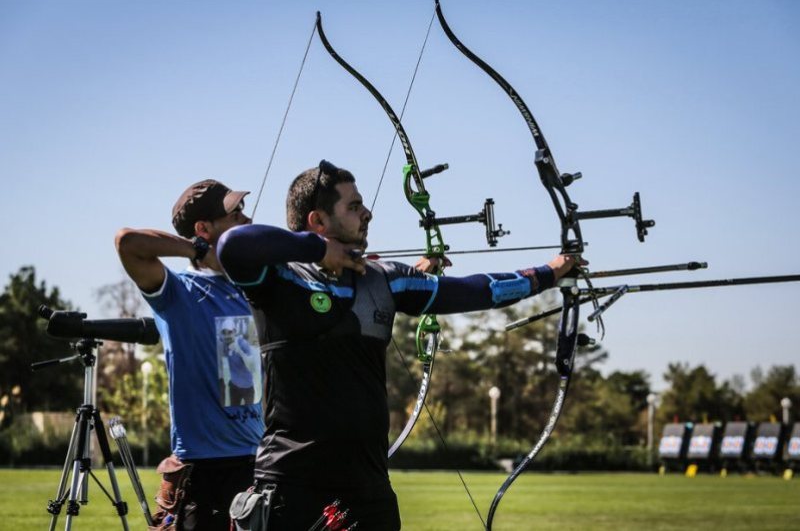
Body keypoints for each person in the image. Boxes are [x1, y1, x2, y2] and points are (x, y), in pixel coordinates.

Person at [216, 160, 580, 530]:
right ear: (318, 221)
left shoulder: (385, 280)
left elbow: (477, 290)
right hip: (292, 488)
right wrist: (319, 251)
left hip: (368, 492)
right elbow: (232, 244)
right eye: (353, 206)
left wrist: (548, 273)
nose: (367, 213)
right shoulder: (279, 279)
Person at [115, 179, 263, 530]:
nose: (247, 219)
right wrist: (197, 250)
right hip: (203, 472)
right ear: (203, 228)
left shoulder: (255, 288)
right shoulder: (179, 291)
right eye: (235, 213)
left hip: (256, 464)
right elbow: (128, 242)